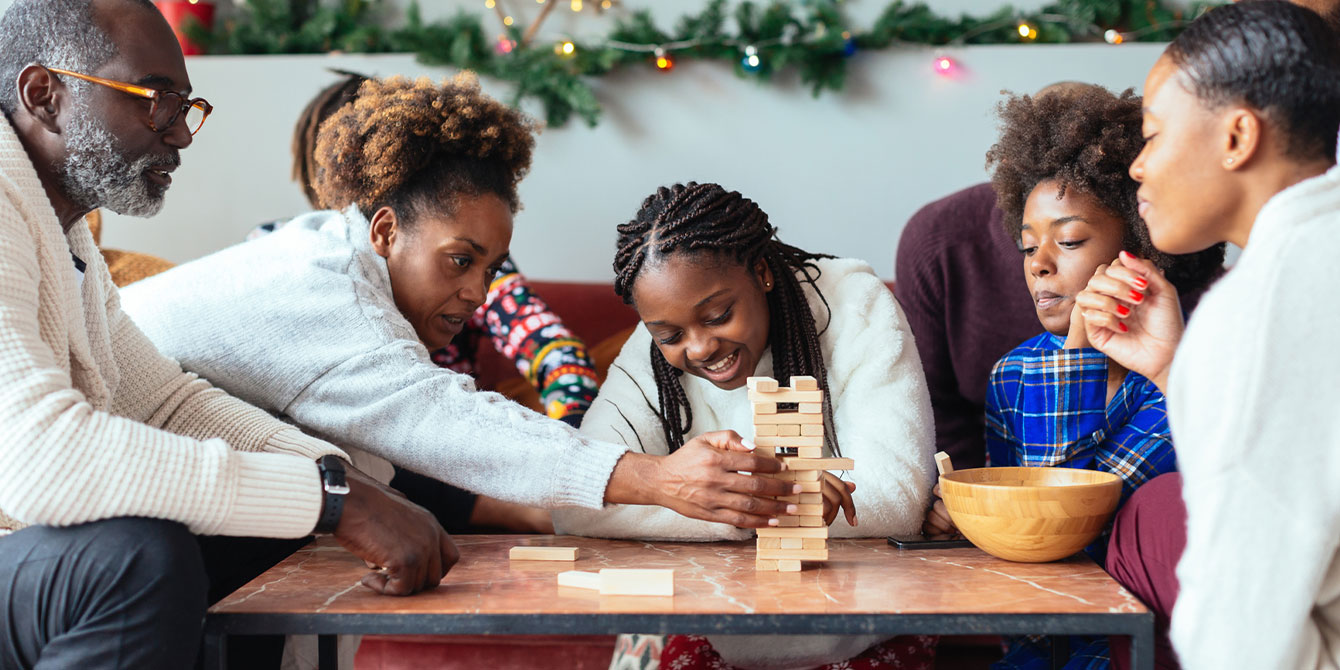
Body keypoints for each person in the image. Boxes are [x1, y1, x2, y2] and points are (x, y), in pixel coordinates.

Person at [117, 74, 799, 545]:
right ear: (385, 231)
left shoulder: (336, 256)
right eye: (460, 259)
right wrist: (656, 476)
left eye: (491, 267)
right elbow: (445, 418)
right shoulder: (325, 290)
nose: (478, 292)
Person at [0, 1, 459, 667]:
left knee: (264, 526)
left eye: (187, 107)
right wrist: (332, 501)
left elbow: (168, 403)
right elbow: (41, 460)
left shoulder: (60, 230)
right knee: (133, 562)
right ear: (46, 94)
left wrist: (338, 477)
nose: (181, 135)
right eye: (156, 100)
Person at [555, 182, 937, 670]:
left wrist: (709, 500)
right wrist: (753, 501)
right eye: (671, 335)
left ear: (761, 273)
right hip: (721, 627)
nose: (698, 349)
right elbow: (580, 500)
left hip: (865, 624)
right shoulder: (651, 348)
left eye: (718, 315)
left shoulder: (854, 305)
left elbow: (900, 498)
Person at [1074, 2, 1340, 668]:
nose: (1138, 166)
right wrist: (1176, 370)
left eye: (1155, 134)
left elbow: (1240, 636)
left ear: (1236, 137)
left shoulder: (1260, 306)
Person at [928, 87, 1223, 670]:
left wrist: (1082, 351)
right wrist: (959, 516)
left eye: (1067, 241)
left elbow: (1078, 512)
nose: (1038, 262)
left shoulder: (1188, 371)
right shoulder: (1013, 374)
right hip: (1038, 633)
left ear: (1141, 246)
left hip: (1147, 633)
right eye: (1027, 246)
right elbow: (1024, 527)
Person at [263, 69, 603, 535]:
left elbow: (557, 357)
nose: (476, 293)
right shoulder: (281, 254)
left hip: (451, 463)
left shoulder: (467, 258)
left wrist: (570, 457)